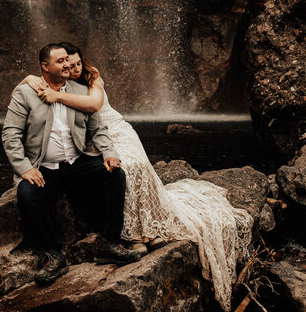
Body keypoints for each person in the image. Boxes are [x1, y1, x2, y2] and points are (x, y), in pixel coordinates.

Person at [16, 42, 252, 309]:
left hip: (109, 134)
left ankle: (130, 234)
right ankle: (72, 249)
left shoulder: (87, 82)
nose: (71, 67)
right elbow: (14, 131)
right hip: (76, 151)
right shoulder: (48, 86)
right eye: (66, 64)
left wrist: (104, 148)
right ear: (53, 67)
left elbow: (94, 110)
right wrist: (25, 165)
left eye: (75, 63)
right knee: (38, 190)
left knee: (125, 169)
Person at [2, 43, 142, 286]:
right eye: (60, 61)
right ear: (45, 67)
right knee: (27, 195)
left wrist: (109, 153)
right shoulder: (25, 94)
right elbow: (10, 135)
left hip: (77, 162)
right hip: (44, 167)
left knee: (114, 174)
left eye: (68, 59)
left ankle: (108, 242)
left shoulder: (79, 90)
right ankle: (53, 255)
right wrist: (25, 168)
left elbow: (98, 129)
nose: (67, 65)